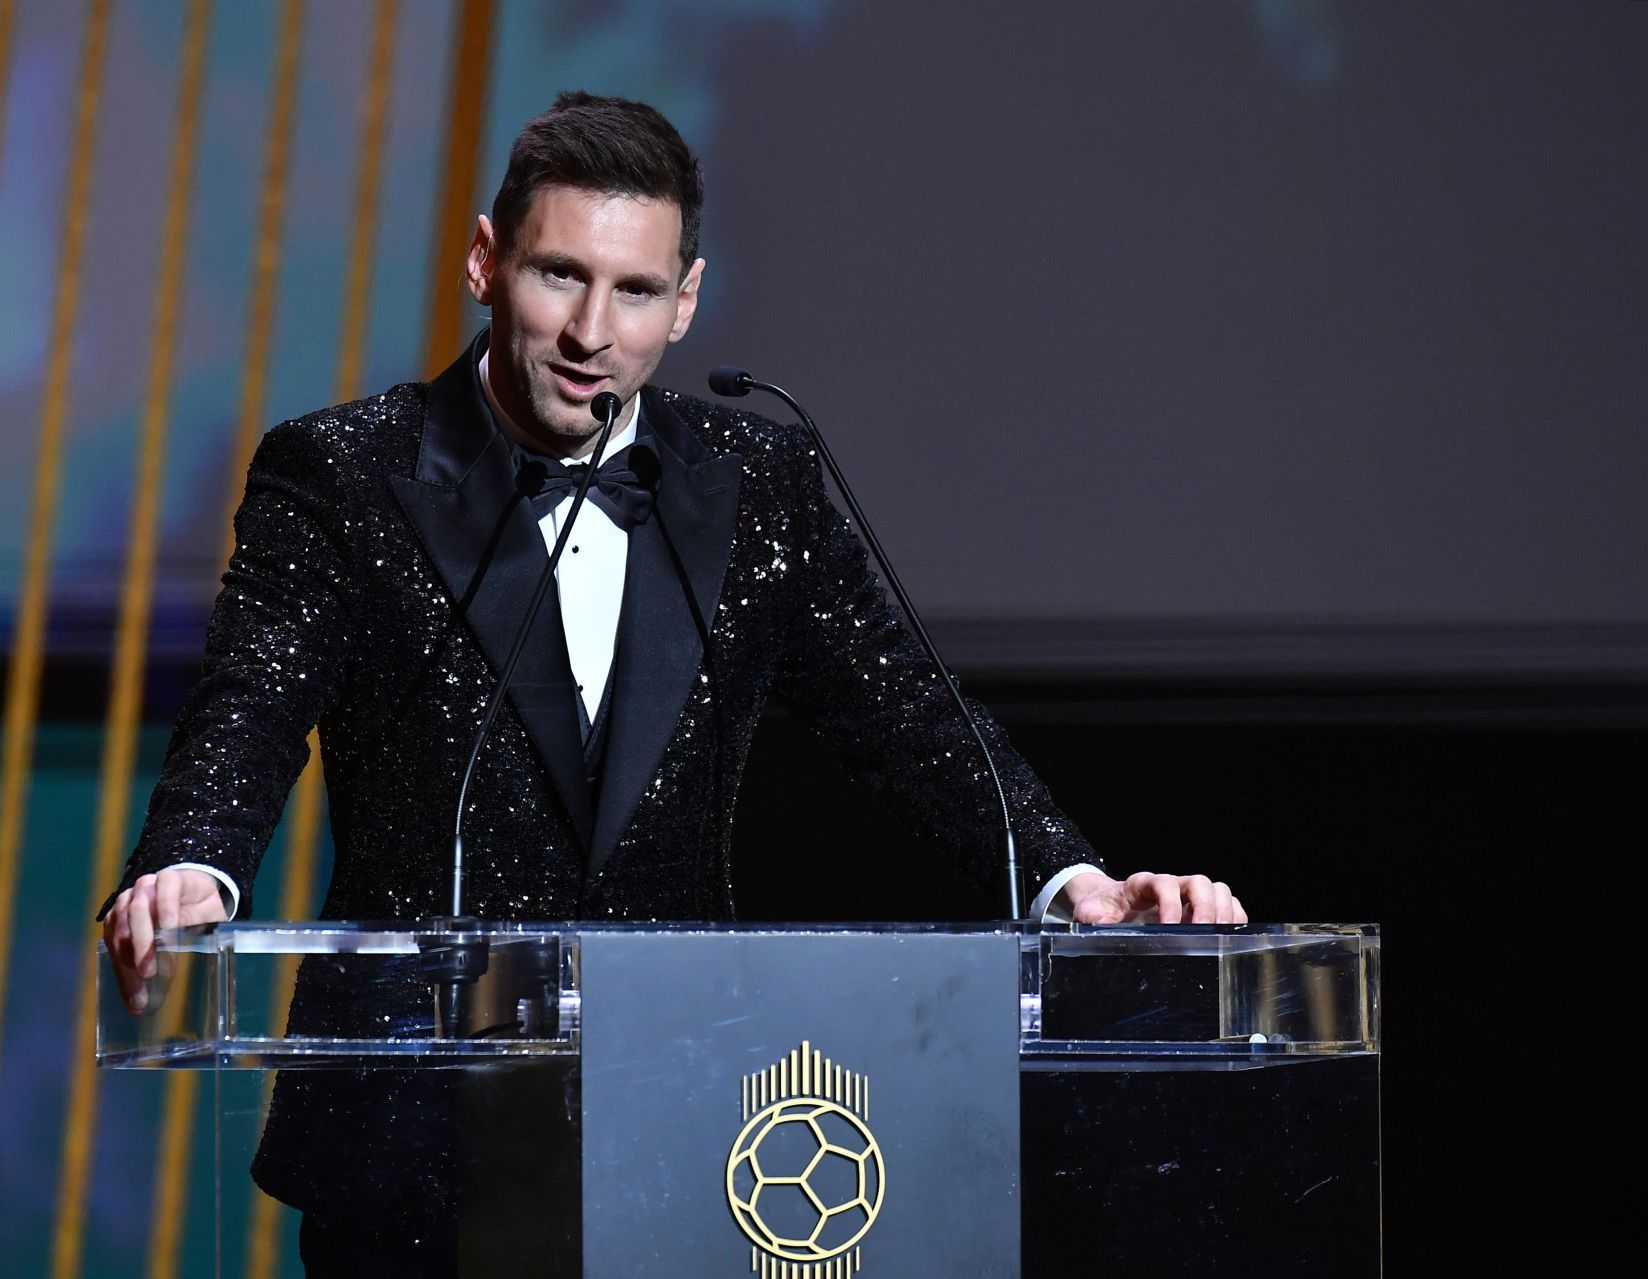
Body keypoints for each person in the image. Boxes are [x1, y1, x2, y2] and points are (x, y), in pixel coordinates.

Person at [99, 91, 1245, 1272]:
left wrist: (1075, 882)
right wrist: (194, 857)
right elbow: (252, 701)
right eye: (560, 276)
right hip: (414, 1137)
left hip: (690, 1120)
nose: (593, 330)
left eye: (636, 291)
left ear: (686, 301)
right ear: (485, 264)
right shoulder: (345, 472)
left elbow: (907, 715)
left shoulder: (760, 480)